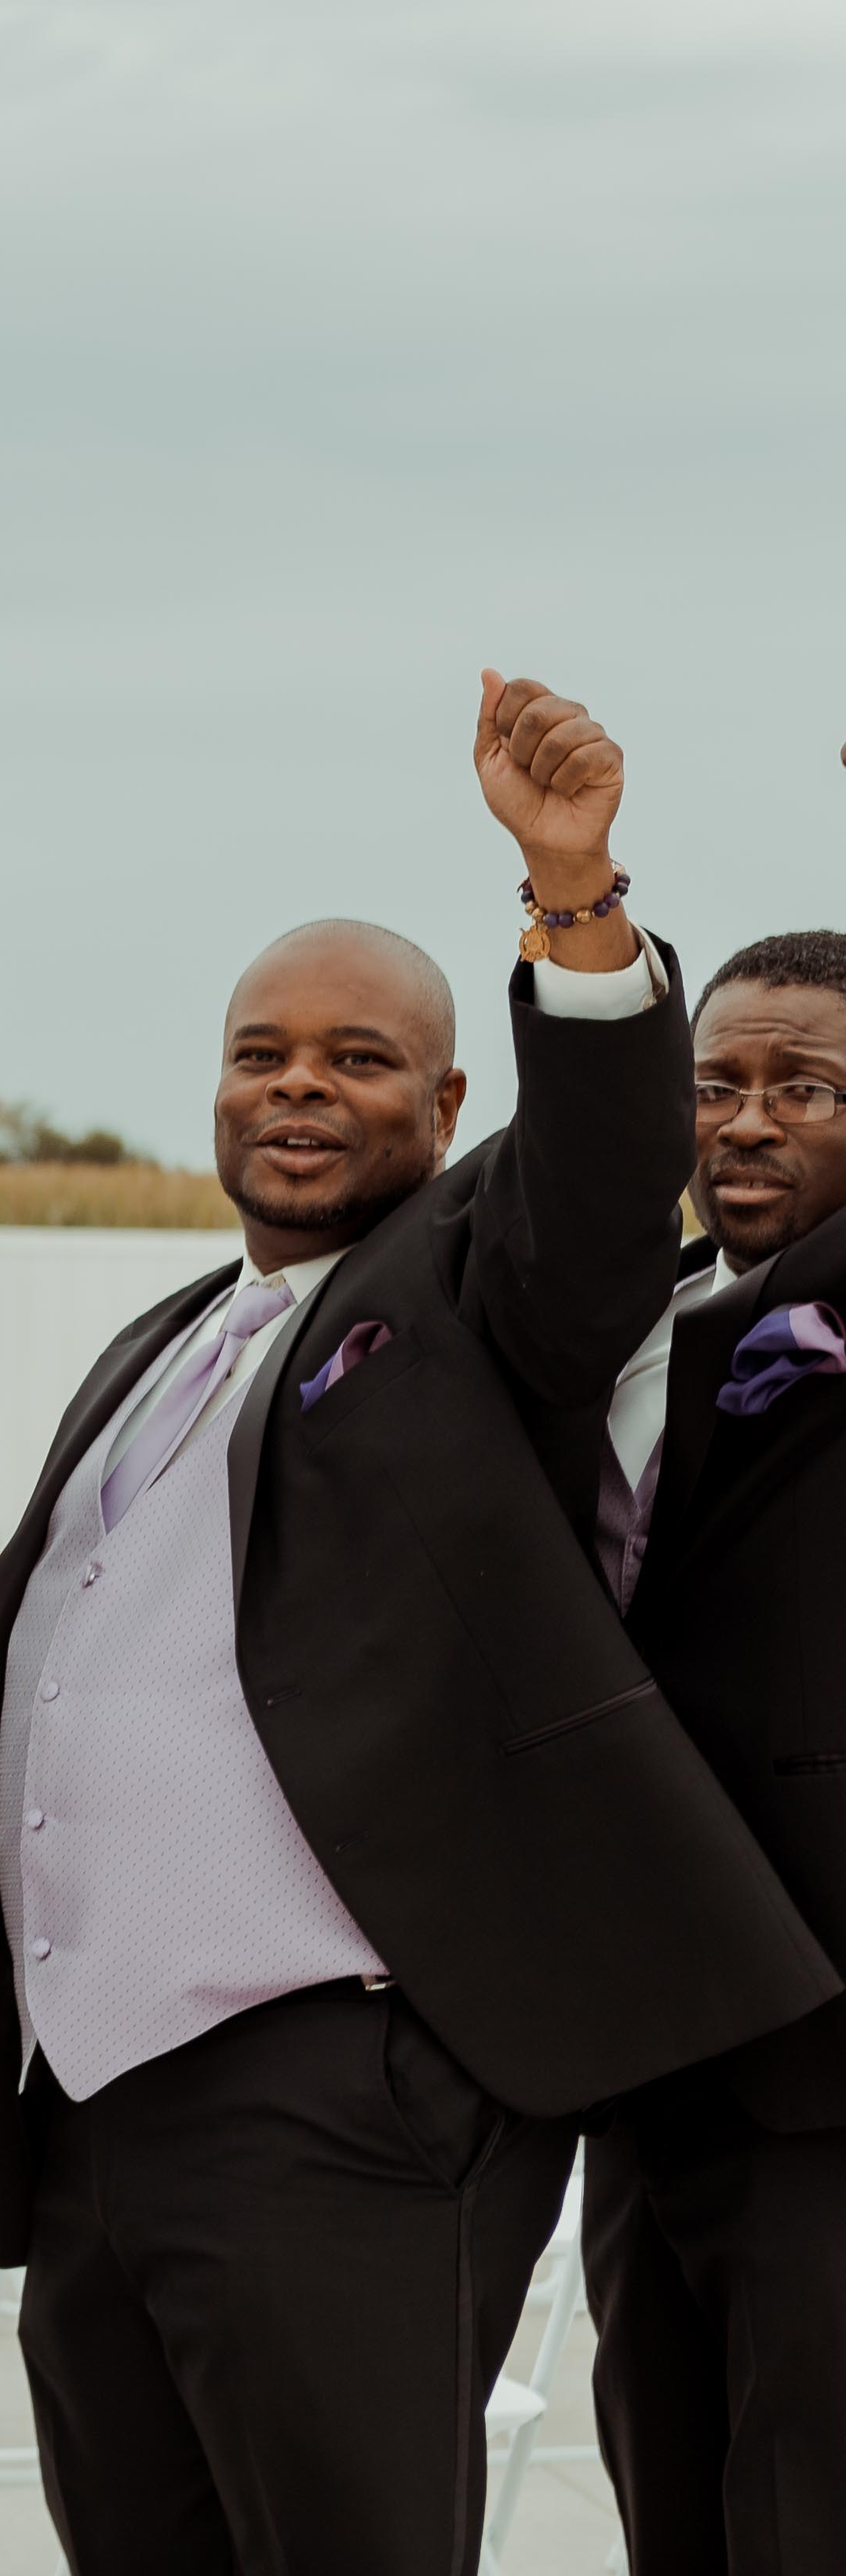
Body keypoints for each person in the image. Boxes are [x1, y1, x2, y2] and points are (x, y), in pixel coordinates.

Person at [0, 679, 838, 2573]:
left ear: (446, 1109)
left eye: (358, 1060)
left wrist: (573, 896)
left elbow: (598, 1183)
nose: (299, 1087)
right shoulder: (165, 1339)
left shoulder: (471, 1299)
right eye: (262, 1054)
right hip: (93, 2111)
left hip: (337, 2091)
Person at [589, 927, 846, 2573]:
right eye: (715, 1085)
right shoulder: (632, 1320)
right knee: (667, 2493)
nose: (746, 1121)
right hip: (648, 2049)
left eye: (802, 1088)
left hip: (828, 2050)